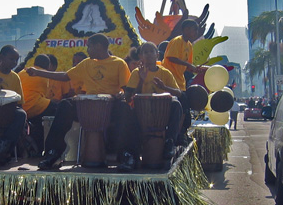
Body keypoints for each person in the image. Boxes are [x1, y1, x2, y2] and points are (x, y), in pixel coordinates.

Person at [27, 33, 136, 170]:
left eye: (89, 46)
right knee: (65, 105)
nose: (87, 50)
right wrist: (38, 72)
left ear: (98, 46)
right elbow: (66, 76)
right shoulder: (86, 64)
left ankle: (127, 155)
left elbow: (127, 89)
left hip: (110, 107)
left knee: (125, 109)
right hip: (87, 109)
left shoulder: (119, 63)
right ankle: (52, 154)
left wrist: (120, 95)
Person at [124, 41, 184, 160]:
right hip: (143, 110)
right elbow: (128, 96)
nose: (149, 54)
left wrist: (164, 88)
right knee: (126, 111)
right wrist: (141, 80)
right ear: (141, 56)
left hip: (162, 111)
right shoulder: (136, 73)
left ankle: (169, 142)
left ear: (157, 54)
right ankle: (131, 154)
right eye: (145, 52)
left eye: (152, 51)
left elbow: (179, 93)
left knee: (176, 104)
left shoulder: (165, 72)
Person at [20, 54, 59, 155]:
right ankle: (52, 146)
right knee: (57, 109)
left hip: (21, 108)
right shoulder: (44, 75)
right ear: (48, 66)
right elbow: (46, 94)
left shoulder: (22, 72)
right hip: (35, 107)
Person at [161, 19, 206, 90]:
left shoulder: (190, 45)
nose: (196, 33)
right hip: (169, 79)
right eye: (195, 30)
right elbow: (171, 58)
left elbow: (187, 66)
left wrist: (196, 69)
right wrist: (189, 65)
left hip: (180, 81)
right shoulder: (177, 41)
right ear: (186, 29)